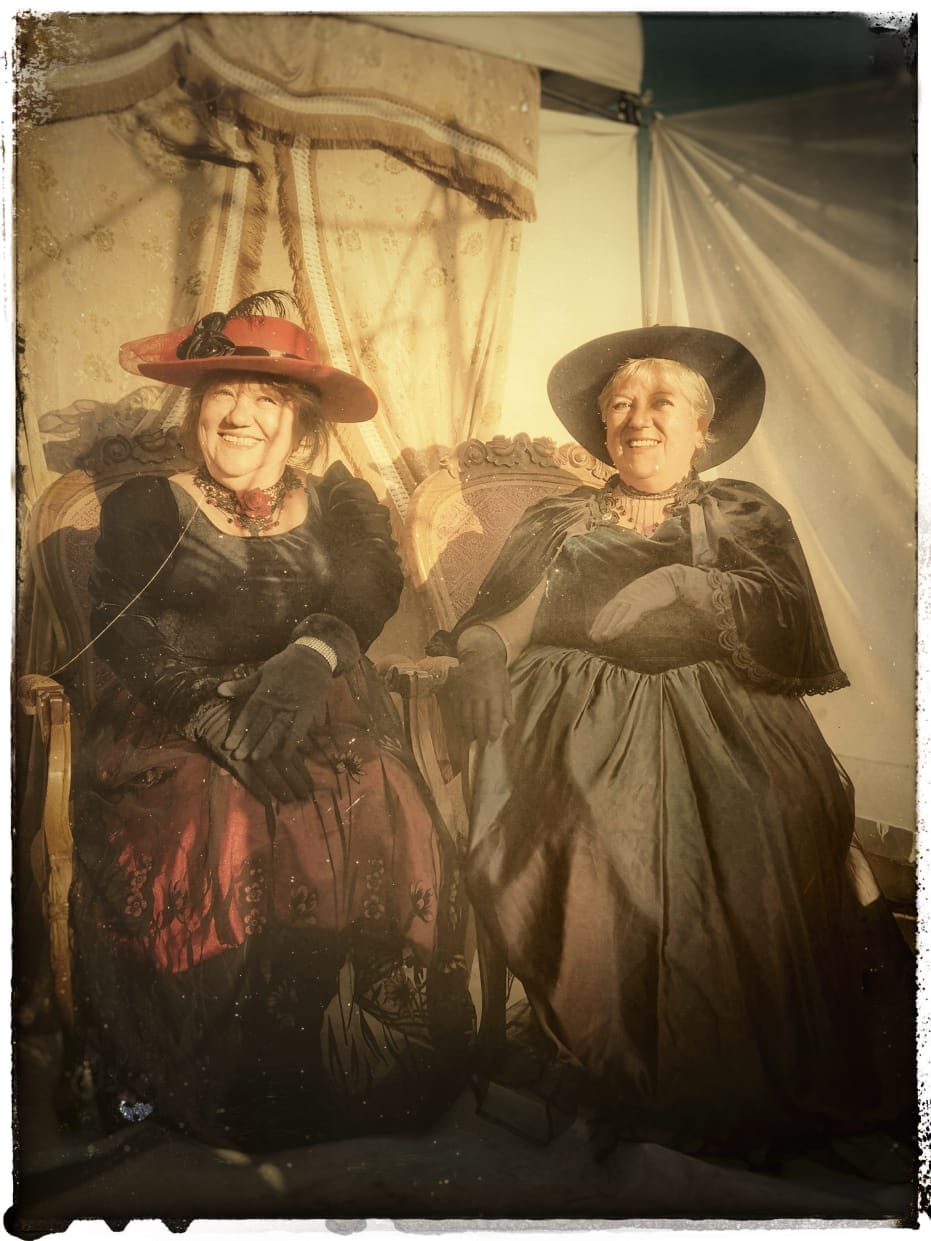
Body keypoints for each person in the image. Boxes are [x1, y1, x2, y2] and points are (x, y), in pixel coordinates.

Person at [433, 326, 914, 1157]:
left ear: (702, 428)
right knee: (595, 827)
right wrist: (478, 651)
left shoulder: (742, 511)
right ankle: (619, 1059)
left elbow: (788, 625)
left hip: (724, 715)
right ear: (603, 428)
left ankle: (726, 1070)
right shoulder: (561, 516)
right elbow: (506, 619)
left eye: (662, 403)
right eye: (620, 405)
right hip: (579, 713)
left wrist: (685, 582)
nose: (638, 419)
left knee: (764, 815)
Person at [70, 292, 473, 1150]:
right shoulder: (147, 503)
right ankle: (225, 1077)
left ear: (302, 427)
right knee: (221, 814)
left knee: (380, 791)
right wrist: (209, 715)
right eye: (221, 393)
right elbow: (118, 626)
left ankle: (357, 1065)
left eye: (266, 398)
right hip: (173, 718)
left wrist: (317, 650)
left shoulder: (341, 501)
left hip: (317, 706)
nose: (238, 415)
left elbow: (371, 584)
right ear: (195, 410)